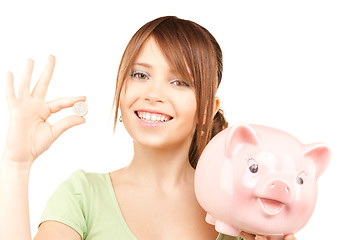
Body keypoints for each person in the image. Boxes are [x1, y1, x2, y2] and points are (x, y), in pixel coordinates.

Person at [0, 16, 296, 240]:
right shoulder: (82, 196)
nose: (153, 94)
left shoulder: (241, 214)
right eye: (140, 74)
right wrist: (16, 165)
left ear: (207, 108)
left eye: (180, 81)